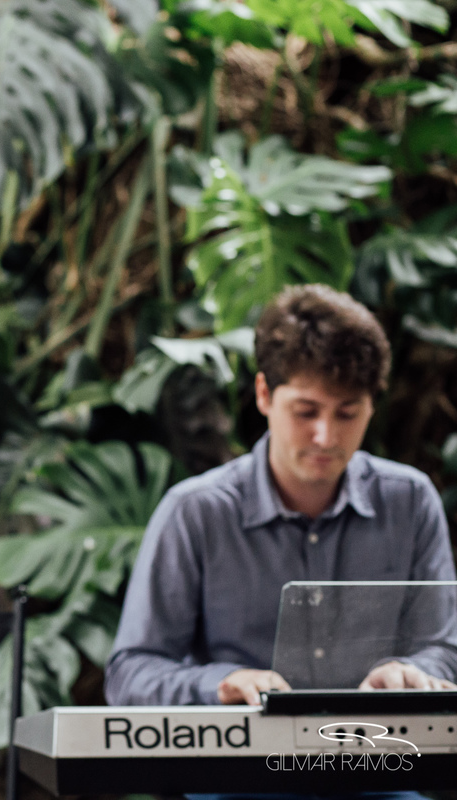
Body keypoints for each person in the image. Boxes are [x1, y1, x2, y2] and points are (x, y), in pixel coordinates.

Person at [106, 284, 457, 711]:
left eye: (347, 413)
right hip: (235, 769)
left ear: (372, 406)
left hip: (373, 760)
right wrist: (221, 684)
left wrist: (408, 670)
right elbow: (130, 673)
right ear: (264, 395)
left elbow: (444, 650)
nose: (326, 436)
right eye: (306, 411)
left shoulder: (411, 502)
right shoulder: (196, 512)